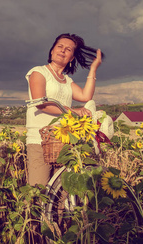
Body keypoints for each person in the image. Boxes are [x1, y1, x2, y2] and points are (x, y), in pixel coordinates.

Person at [25, 33, 103, 186]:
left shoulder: (67, 80)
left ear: (71, 57)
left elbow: (86, 96)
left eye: (68, 49)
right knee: (39, 189)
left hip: (64, 141)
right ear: (52, 51)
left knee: (62, 192)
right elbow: (41, 103)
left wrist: (93, 68)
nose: (62, 51)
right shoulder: (39, 72)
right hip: (40, 140)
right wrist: (73, 111)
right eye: (59, 46)